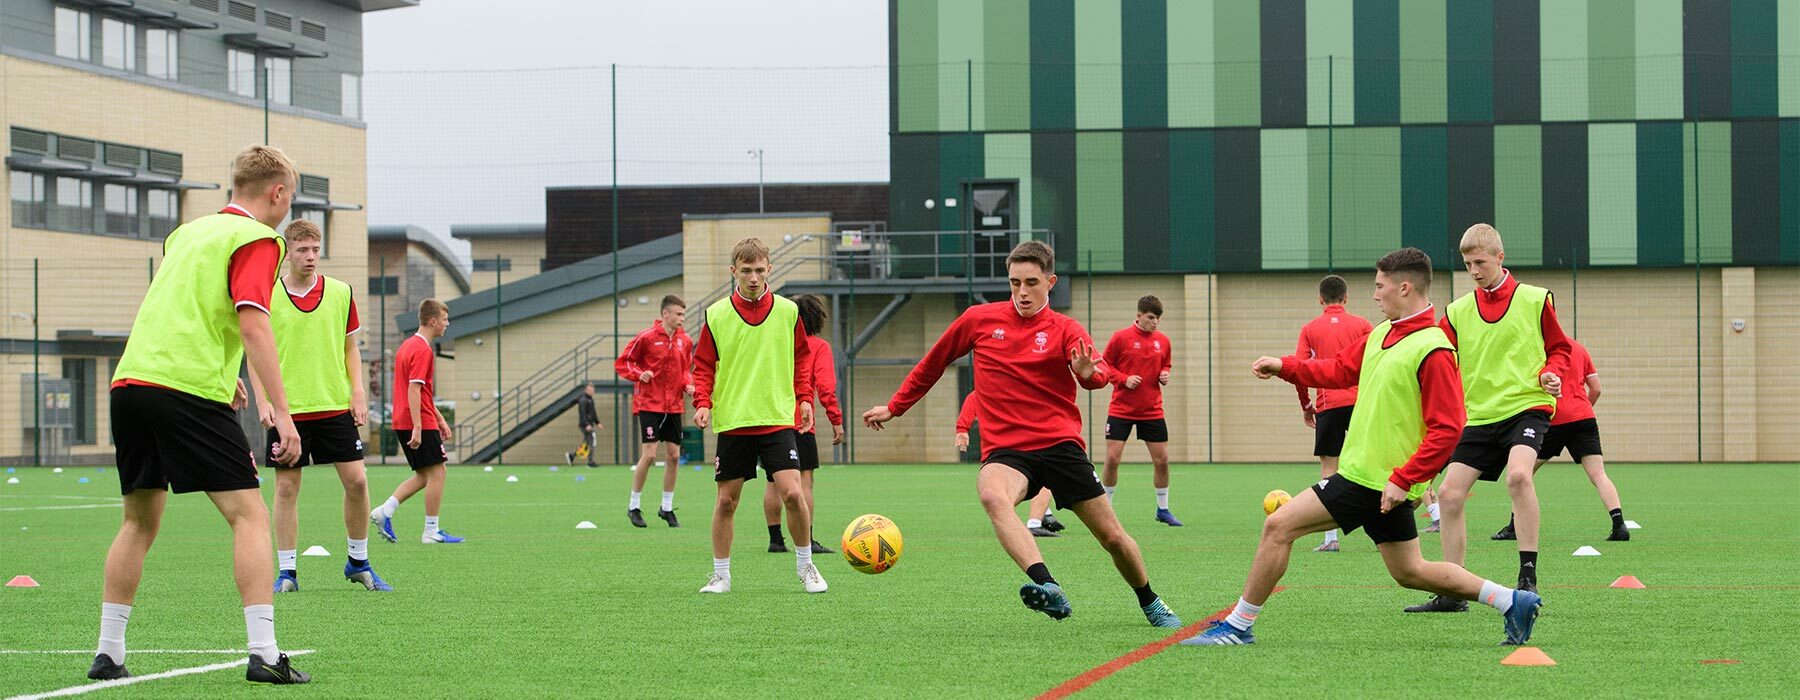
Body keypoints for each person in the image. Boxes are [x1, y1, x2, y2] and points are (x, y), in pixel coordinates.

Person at [1182, 247, 1543, 647]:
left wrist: (1404, 479)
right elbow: (1337, 370)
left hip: (1371, 482)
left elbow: (1448, 429)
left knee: (1277, 527)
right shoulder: (1382, 335)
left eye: (1379, 285)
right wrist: (1285, 367)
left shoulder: (1434, 348)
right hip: (1375, 482)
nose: (1374, 294)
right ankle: (1512, 600)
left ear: (1404, 287)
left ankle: (1237, 626)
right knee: (1412, 572)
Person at [864, 241, 1181, 628]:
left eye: (1031, 282)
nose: (1022, 292)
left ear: (1050, 281)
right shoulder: (977, 320)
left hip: (1061, 446)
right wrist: (895, 407)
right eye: (1015, 283)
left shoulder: (1066, 328)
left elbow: (1097, 374)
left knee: (1113, 538)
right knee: (992, 495)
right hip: (1008, 451)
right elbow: (933, 364)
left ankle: (1150, 601)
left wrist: (1088, 375)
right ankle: (1047, 586)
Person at [95, 144, 311, 683]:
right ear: (277, 193)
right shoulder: (260, 239)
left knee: (138, 521)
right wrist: (282, 413)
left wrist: (226, 376)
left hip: (131, 384)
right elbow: (254, 323)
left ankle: (109, 653)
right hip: (184, 391)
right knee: (249, 515)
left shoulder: (185, 233)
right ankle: (263, 654)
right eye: (289, 198)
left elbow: (186, 312)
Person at [1405, 224, 1572, 613]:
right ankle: (1453, 590)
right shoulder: (1458, 311)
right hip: (1480, 415)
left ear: (1500, 257)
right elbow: (1434, 349)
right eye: (1467, 264)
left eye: (1480, 261)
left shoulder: (1534, 299)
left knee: (1518, 476)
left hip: (1527, 407)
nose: (1474, 270)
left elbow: (1560, 349)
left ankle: (1527, 574)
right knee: (1448, 494)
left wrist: (1553, 372)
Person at [250, 219, 390, 594]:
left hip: (333, 406)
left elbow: (350, 347)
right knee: (285, 490)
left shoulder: (341, 292)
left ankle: (358, 562)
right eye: (302, 250)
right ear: (287, 252)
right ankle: (287, 573)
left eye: (315, 249)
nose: (310, 257)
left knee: (358, 482)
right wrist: (263, 400)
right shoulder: (267, 294)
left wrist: (357, 391)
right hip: (289, 412)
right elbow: (254, 351)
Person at [693, 238, 823, 594]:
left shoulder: (787, 311)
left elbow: (801, 358)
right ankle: (721, 575)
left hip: (777, 417)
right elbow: (703, 364)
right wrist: (702, 402)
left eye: (760, 270)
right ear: (733, 271)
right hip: (734, 420)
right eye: (746, 270)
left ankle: (806, 566)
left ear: (770, 269)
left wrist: (804, 399)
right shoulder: (716, 314)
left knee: (794, 494)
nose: (753, 277)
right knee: (726, 501)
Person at [1491, 338, 1630, 542]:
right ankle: (1619, 525)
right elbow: (1596, 388)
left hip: (1553, 420)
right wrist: (1582, 409)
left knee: (1523, 473)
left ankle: (1513, 527)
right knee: (1599, 475)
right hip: (1584, 418)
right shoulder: (1580, 348)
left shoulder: (1542, 348)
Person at [369, 300, 463, 545]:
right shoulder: (422, 350)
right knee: (439, 472)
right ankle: (431, 531)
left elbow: (423, 392)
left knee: (425, 475)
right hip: (416, 420)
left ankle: (385, 511)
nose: (447, 324)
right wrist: (420, 426)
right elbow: (414, 390)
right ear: (433, 321)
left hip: (407, 419)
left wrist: (440, 419)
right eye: (444, 319)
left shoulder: (407, 345)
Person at [1292, 275, 1373, 551]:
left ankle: (1331, 539)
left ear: (1320, 299)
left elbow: (1300, 371)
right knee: (1374, 463)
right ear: (1346, 298)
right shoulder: (1363, 325)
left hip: (1328, 404)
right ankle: (1383, 533)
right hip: (1361, 404)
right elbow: (1377, 363)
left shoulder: (1310, 328)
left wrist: (1306, 405)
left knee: (1329, 468)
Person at [766, 294, 844, 553]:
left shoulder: (779, 344)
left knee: (772, 483)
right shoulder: (818, 347)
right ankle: (808, 540)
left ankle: (775, 540)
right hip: (800, 423)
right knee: (804, 482)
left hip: (772, 420)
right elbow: (826, 386)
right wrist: (836, 420)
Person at [1099, 296, 1180, 526]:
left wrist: (1165, 373)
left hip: (1152, 411)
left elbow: (1166, 363)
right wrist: (1124, 379)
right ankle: (1106, 510)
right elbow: (1105, 367)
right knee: (1113, 459)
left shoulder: (1163, 341)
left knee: (1162, 460)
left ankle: (1163, 509)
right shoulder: (1120, 338)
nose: (1155, 322)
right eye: (1151, 318)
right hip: (1121, 409)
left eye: (1158, 318)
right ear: (1139, 316)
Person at [616, 295, 693, 528]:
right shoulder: (646, 338)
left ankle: (666, 508)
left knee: (674, 456)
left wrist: (688, 384)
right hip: (649, 404)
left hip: (674, 407)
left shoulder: (685, 341)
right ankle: (633, 506)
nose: (682, 318)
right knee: (649, 455)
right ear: (665, 314)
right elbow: (623, 362)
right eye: (678, 314)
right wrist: (639, 374)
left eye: (683, 314)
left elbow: (686, 370)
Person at [956, 393, 1061, 538]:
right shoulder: (1013, 387)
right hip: (1018, 446)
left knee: (1024, 483)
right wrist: (962, 428)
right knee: (1046, 476)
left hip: (1002, 449)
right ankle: (1034, 523)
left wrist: (962, 429)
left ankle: (1043, 513)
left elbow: (973, 398)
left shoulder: (993, 389)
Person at [567, 383, 602, 468]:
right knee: (592, 441)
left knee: (586, 443)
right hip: (585, 425)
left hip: (589, 424)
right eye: (590, 389)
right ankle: (590, 461)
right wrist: (587, 424)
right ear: (586, 390)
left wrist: (597, 422)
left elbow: (593, 413)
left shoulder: (590, 400)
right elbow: (582, 413)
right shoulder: (583, 400)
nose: (592, 391)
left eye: (593, 390)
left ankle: (572, 456)